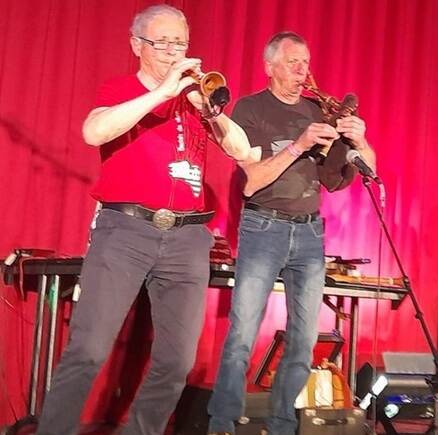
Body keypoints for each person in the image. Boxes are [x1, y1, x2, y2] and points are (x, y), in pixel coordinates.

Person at [36, 5, 252, 435]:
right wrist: (163, 92)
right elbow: (93, 132)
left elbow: (242, 151)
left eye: (180, 43)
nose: (173, 51)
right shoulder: (120, 89)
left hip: (187, 237)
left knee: (177, 361)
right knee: (89, 349)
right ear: (137, 45)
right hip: (126, 231)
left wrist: (209, 110)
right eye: (163, 42)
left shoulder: (196, 101)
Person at [206, 31, 375, 435]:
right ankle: (222, 423)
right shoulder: (250, 109)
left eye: (305, 63)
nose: (302, 70)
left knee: (303, 339)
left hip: (309, 232)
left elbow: (342, 177)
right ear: (270, 67)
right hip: (263, 226)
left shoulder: (317, 110)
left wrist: (359, 138)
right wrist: (300, 144)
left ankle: (282, 425)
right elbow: (252, 181)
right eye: (293, 62)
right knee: (243, 332)